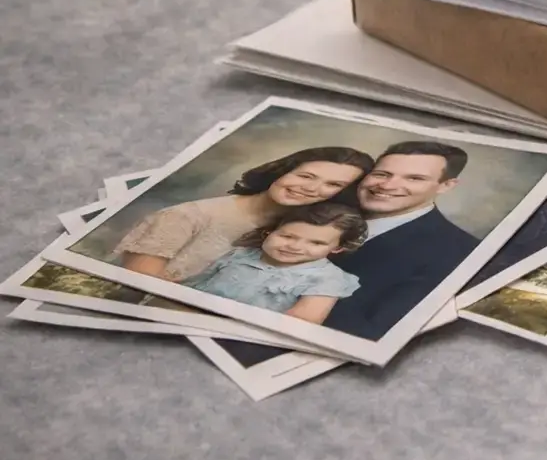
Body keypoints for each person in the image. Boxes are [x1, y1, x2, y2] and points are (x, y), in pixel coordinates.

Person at [113, 146, 373, 283]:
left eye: (333, 185)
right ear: (281, 171)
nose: (312, 189)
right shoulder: (187, 216)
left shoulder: (305, 235)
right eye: (305, 176)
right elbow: (139, 281)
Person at [319, 140, 481, 340]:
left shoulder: (460, 252)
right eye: (381, 174)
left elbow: (377, 333)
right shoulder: (320, 206)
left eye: (414, 178)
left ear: (446, 185)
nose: (387, 185)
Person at [180, 203, 367, 324]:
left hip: (247, 336)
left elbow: (302, 321)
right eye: (287, 236)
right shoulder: (241, 254)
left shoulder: (328, 279)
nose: (295, 247)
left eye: (316, 243)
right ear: (269, 231)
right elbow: (195, 285)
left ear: (337, 248)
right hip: (191, 318)